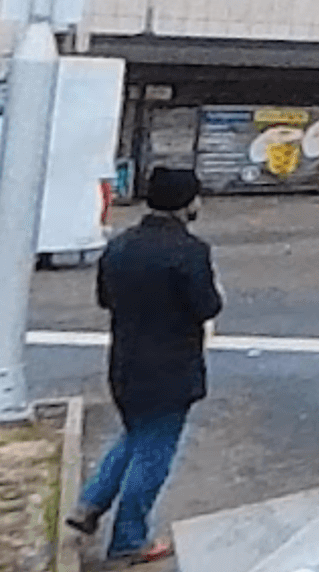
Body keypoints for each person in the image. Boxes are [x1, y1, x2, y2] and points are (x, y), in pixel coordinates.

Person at [65, 166, 223, 567]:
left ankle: (90, 503)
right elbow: (206, 305)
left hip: (125, 362)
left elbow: (105, 298)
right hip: (172, 366)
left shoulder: (119, 246)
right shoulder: (190, 251)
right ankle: (128, 540)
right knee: (154, 453)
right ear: (187, 203)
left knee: (135, 436)